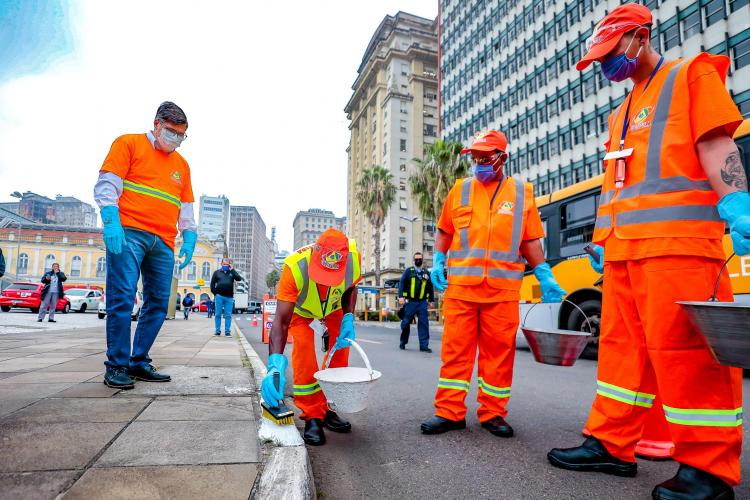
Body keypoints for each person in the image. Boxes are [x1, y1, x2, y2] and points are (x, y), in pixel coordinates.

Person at [546, 5, 748, 499]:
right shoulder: (621, 112)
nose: (605, 66)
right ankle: (611, 444)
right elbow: (621, 182)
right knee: (621, 356)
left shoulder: (689, 74)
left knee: (689, 356)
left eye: (610, 53)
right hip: (624, 254)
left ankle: (709, 469)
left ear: (639, 36)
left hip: (678, 248)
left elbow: (717, 144)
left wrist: (738, 204)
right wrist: (601, 239)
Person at [420, 129, 566, 439]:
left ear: (502, 158)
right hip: (461, 289)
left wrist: (543, 272)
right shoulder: (459, 190)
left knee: (498, 355)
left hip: (501, 291)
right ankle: (449, 411)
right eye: (475, 158)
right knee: (455, 353)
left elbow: (529, 239)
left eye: (485, 158)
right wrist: (436, 260)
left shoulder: (522, 193)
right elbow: (445, 231)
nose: (479, 163)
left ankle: (493, 413)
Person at [94, 101, 197, 389]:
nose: (174, 139)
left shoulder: (182, 165)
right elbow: (107, 184)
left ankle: (138, 360)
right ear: (156, 124)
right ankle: (116, 365)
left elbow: (185, 204)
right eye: (171, 131)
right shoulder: (128, 144)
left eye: (181, 135)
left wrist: (189, 234)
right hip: (129, 232)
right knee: (123, 297)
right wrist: (111, 220)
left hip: (163, 241)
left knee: (159, 302)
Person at [261, 228, 362, 446]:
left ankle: (328, 408)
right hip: (302, 313)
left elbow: (351, 288)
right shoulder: (295, 267)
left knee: (340, 354)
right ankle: (312, 414)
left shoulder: (353, 259)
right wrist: (274, 364)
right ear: (315, 256)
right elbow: (280, 321)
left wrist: (348, 318)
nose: (326, 282)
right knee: (305, 354)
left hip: (334, 309)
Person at [397, 251, 434, 352]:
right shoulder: (408, 271)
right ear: (413, 261)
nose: (418, 260)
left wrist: (431, 300)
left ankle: (424, 346)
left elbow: (430, 287)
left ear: (422, 260)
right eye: (416, 259)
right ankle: (403, 341)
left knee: (423, 324)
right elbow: (402, 283)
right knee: (405, 323)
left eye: (420, 259)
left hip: (422, 303)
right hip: (410, 302)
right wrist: (400, 296)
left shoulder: (426, 273)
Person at [210, 258, 242, 336]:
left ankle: (227, 332)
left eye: (227, 264)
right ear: (221, 264)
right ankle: (217, 331)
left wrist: (233, 270)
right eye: (224, 264)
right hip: (219, 296)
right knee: (218, 314)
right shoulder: (217, 273)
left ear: (229, 265)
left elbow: (239, 279)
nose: (225, 265)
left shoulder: (232, 273)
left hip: (229, 297)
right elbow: (212, 284)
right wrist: (215, 294)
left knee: (228, 315)